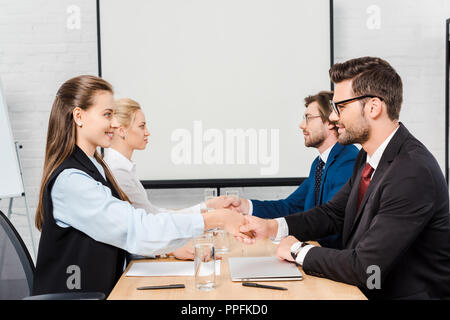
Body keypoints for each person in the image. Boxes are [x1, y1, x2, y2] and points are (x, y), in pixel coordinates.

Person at [237, 57, 450, 300]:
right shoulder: (368, 157)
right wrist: (273, 227)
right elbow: (333, 213)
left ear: (373, 107)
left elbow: (366, 268)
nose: (335, 118)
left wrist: (296, 250)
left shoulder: (412, 172)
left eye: (342, 107)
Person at [33, 75, 247, 296]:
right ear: (79, 116)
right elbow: (137, 228)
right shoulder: (72, 182)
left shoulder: (94, 167)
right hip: (77, 294)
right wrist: (214, 218)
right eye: (107, 114)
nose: (114, 124)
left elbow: (127, 230)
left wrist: (168, 249)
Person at [214, 91, 359, 249]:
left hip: (330, 261)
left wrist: (277, 231)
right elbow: (290, 206)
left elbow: (328, 221)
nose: (302, 125)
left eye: (308, 118)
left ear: (331, 121)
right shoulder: (319, 163)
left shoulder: (348, 161)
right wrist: (245, 206)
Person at [104, 97, 215, 260]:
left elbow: (151, 214)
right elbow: (149, 223)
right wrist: (171, 249)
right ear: (121, 130)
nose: (147, 132)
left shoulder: (122, 167)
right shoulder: (118, 171)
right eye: (141, 126)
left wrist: (204, 208)